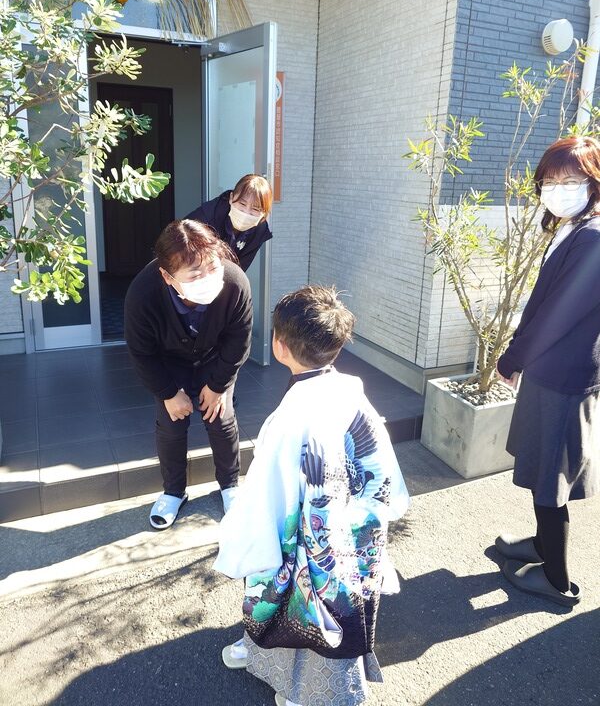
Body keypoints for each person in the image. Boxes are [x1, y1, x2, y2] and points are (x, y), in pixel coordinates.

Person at [214, 285, 410, 706]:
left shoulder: (291, 419)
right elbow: (380, 468)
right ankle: (272, 663)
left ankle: (303, 694)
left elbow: (267, 495)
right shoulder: (351, 393)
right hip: (350, 531)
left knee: (295, 606)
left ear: (279, 346)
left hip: (309, 534)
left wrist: (242, 538)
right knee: (334, 609)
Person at [495, 135, 600, 607]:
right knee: (543, 467)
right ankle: (540, 546)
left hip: (564, 378)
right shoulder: (572, 229)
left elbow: (558, 315)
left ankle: (557, 581)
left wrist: (512, 358)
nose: (558, 190)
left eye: (571, 180)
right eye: (550, 181)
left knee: (551, 480)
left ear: (593, 183)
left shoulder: (593, 237)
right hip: (553, 370)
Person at [124, 219, 252, 529]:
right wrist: (168, 392)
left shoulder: (234, 281)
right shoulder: (143, 293)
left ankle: (230, 485)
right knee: (171, 423)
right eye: (195, 275)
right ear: (168, 276)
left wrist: (218, 385)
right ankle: (173, 491)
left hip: (216, 358)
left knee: (220, 418)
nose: (208, 278)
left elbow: (240, 339)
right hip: (169, 362)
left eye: (212, 267)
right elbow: (142, 353)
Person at [186, 174, 273, 272]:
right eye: (242, 204)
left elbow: (239, 270)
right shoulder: (207, 217)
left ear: (264, 213)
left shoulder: (259, 230)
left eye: (255, 209)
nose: (246, 212)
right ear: (231, 198)